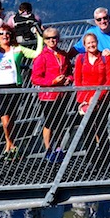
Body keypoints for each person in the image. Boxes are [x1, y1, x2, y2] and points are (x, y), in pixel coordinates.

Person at [0, 24, 42, 156]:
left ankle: (10, 145)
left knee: (12, 118)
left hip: (15, 87)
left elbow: (37, 54)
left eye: (7, 33)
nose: (4, 36)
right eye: (1, 34)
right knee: (5, 119)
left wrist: (39, 37)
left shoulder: (17, 49)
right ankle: (10, 144)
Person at [30, 27, 72, 160]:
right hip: (48, 96)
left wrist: (68, 80)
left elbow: (70, 72)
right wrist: (52, 82)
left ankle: (59, 147)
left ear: (58, 39)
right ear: (44, 40)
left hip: (62, 94)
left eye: (54, 37)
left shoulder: (63, 54)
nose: (51, 40)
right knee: (49, 122)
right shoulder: (41, 57)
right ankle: (48, 149)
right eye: (48, 38)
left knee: (60, 121)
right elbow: (35, 78)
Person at [73, 31, 110, 146]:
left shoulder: (106, 59)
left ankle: (105, 155)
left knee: (101, 127)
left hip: (102, 100)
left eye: (93, 42)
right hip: (85, 100)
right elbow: (78, 81)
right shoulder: (80, 59)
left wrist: (97, 97)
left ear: (97, 43)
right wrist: (84, 100)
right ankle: (91, 157)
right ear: (84, 45)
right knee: (87, 129)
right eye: (88, 43)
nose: (91, 45)